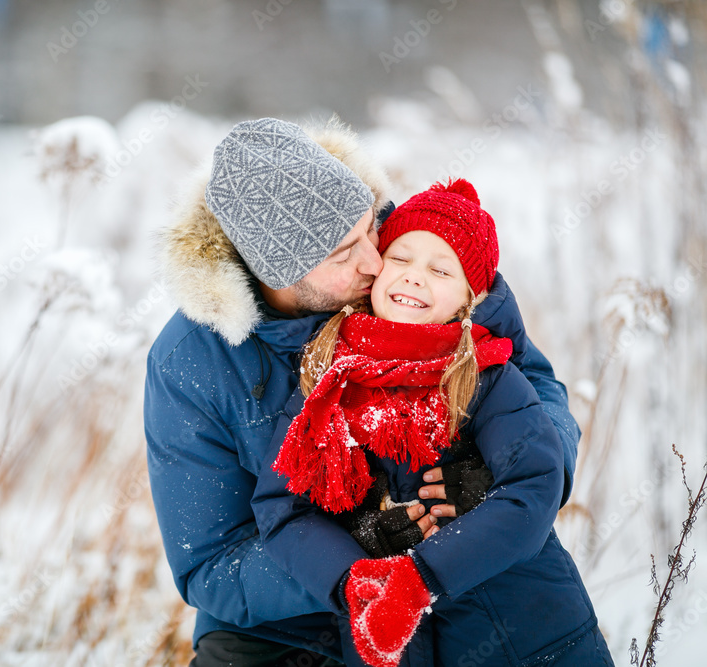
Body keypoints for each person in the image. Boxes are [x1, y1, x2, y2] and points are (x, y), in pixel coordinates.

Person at [144, 117, 581, 665]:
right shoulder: (193, 361)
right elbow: (209, 564)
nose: (376, 262)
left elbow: (531, 380)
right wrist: (357, 552)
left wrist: (505, 475)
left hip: (468, 563)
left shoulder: (420, 253)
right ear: (277, 274)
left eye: (367, 227)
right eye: (344, 253)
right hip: (288, 622)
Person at [256, 179, 612, 666]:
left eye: (441, 270)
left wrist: (422, 578)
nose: (415, 277)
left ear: (471, 298)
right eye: (400, 259)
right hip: (385, 640)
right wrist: (350, 578)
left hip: (523, 637)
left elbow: (535, 482)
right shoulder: (326, 379)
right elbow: (283, 508)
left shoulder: (486, 375)